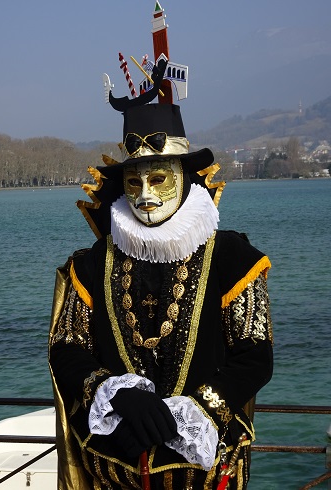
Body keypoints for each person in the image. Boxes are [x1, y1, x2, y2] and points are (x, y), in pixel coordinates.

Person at [48, 93, 273, 488]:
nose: (144, 195)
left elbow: (255, 355)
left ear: (184, 176)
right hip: (115, 461)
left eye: (158, 179)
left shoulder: (232, 257)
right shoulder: (91, 263)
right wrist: (116, 395)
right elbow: (67, 347)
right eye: (134, 181)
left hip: (201, 467)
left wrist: (194, 411)